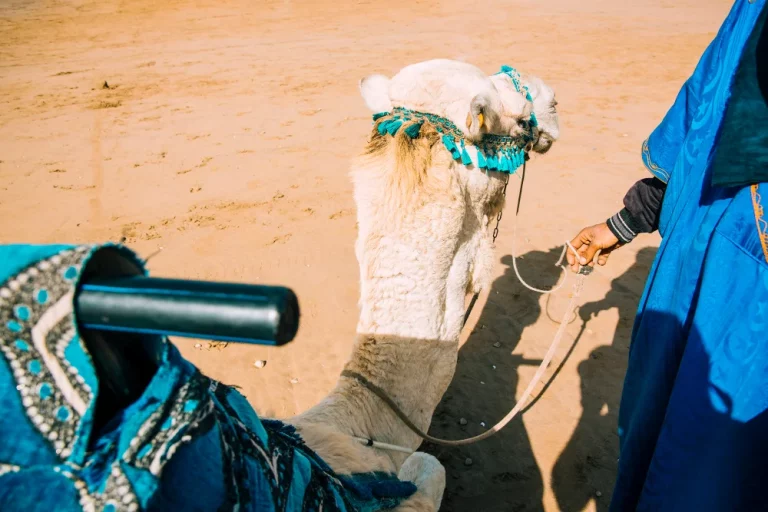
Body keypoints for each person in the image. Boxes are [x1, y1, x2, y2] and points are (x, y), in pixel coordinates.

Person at [566, 1, 768, 510]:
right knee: (649, 434)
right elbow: (705, 110)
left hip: (751, 301)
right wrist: (623, 223)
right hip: (688, 260)